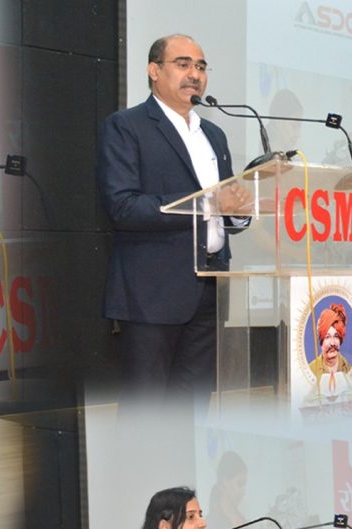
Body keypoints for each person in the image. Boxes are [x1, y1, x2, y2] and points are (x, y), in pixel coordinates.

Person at [98, 34, 250, 403]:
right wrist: (210, 204)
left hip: (210, 288)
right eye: (183, 65)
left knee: (193, 408)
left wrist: (238, 212)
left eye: (201, 67)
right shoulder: (126, 126)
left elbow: (223, 207)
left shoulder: (214, 135)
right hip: (152, 293)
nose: (195, 74)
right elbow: (123, 206)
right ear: (154, 71)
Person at [309, 303, 350, 377]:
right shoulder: (311, 370)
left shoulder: (348, 368)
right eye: (327, 337)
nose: (332, 343)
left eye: (336, 336)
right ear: (321, 341)